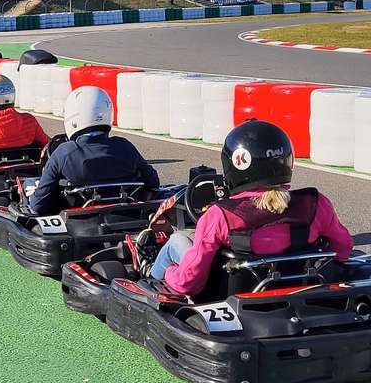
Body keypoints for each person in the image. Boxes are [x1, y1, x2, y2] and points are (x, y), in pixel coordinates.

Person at [149, 120, 354, 296]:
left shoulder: (221, 215)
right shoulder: (315, 204)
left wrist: (170, 273)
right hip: (302, 288)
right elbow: (343, 249)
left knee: (178, 240)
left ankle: (149, 283)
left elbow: (189, 283)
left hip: (239, 297)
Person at [29, 86, 159, 214]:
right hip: (127, 219)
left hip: (79, 224)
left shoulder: (65, 152)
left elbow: (38, 205)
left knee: (27, 187)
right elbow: (153, 182)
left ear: (73, 118)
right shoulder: (124, 147)